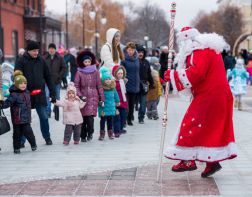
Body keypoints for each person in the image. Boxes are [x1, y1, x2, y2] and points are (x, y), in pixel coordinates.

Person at [164, 27, 237, 178]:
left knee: (190, 124)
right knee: (210, 128)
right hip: (218, 95)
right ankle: (211, 162)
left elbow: (197, 73)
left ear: (187, 41)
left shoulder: (199, 51)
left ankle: (187, 161)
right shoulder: (209, 49)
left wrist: (173, 75)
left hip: (209, 95)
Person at [15, 40, 56, 145]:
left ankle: (47, 137)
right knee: (24, 119)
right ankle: (21, 141)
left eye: (37, 50)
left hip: (39, 94)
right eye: (34, 51)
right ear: (28, 51)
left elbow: (48, 77)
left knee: (44, 116)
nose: (36, 52)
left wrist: (53, 93)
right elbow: (17, 78)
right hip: (25, 94)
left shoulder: (41, 61)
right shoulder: (21, 61)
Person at [0, 71, 37, 154]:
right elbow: (8, 103)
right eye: (21, 83)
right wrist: (2, 104)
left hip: (26, 118)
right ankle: (16, 148)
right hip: (17, 119)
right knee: (16, 134)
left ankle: (33, 144)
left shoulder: (27, 92)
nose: (23, 85)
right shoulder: (14, 95)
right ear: (16, 84)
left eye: (25, 83)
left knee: (29, 132)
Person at [75, 50, 104, 142]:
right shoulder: (79, 72)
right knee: (83, 119)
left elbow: (99, 85)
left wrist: (101, 97)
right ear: (82, 62)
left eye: (89, 61)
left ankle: (90, 132)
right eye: (85, 62)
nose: (87, 63)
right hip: (83, 99)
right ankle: (83, 136)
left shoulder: (95, 72)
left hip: (93, 98)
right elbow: (76, 86)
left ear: (91, 62)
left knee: (90, 119)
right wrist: (80, 96)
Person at [44, 43, 67, 118]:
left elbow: (64, 67)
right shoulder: (44, 58)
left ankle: (56, 109)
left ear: (55, 49)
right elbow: (41, 68)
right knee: (47, 96)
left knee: (57, 97)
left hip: (56, 81)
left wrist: (59, 76)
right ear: (48, 49)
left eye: (52, 48)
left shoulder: (59, 58)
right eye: (50, 48)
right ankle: (48, 112)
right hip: (47, 82)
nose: (51, 50)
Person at [98, 66, 120, 141]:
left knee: (110, 121)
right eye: (106, 79)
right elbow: (99, 97)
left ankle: (110, 133)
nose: (107, 81)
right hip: (103, 108)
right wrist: (99, 103)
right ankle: (102, 133)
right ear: (103, 80)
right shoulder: (101, 89)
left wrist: (117, 101)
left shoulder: (112, 88)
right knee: (103, 121)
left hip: (111, 107)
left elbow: (116, 95)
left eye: (109, 79)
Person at [121, 42, 140, 126]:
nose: (130, 51)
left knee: (132, 104)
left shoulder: (136, 59)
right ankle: (124, 119)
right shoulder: (123, 59)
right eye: (129, 50)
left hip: (135, 83)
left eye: (132, 50)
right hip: (126, 83)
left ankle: (130, 118)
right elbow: (121, 71)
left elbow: (138, 71)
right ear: (126, 50)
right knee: (126, 103)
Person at [136, 45, 154, 124]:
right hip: (135, 85)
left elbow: (149, 73)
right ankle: (129, 117)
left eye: (142, 52)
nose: (140, 54)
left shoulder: (146, 62)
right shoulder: (134, 61)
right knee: (131, 103)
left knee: (143, 103)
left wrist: (152, 83)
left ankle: (141, 117)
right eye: (139, 52)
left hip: (144, 85)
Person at [112, 65, 128, 137]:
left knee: (123, 116)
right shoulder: (114, 82)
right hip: (117, 102)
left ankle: (120, 128)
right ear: (115, 74)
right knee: (116, 117)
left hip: (124, 102)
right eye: (119, 73)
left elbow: (124, 92)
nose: (120, 75)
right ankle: (116, 130)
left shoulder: (123, 81)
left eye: (121, 73)